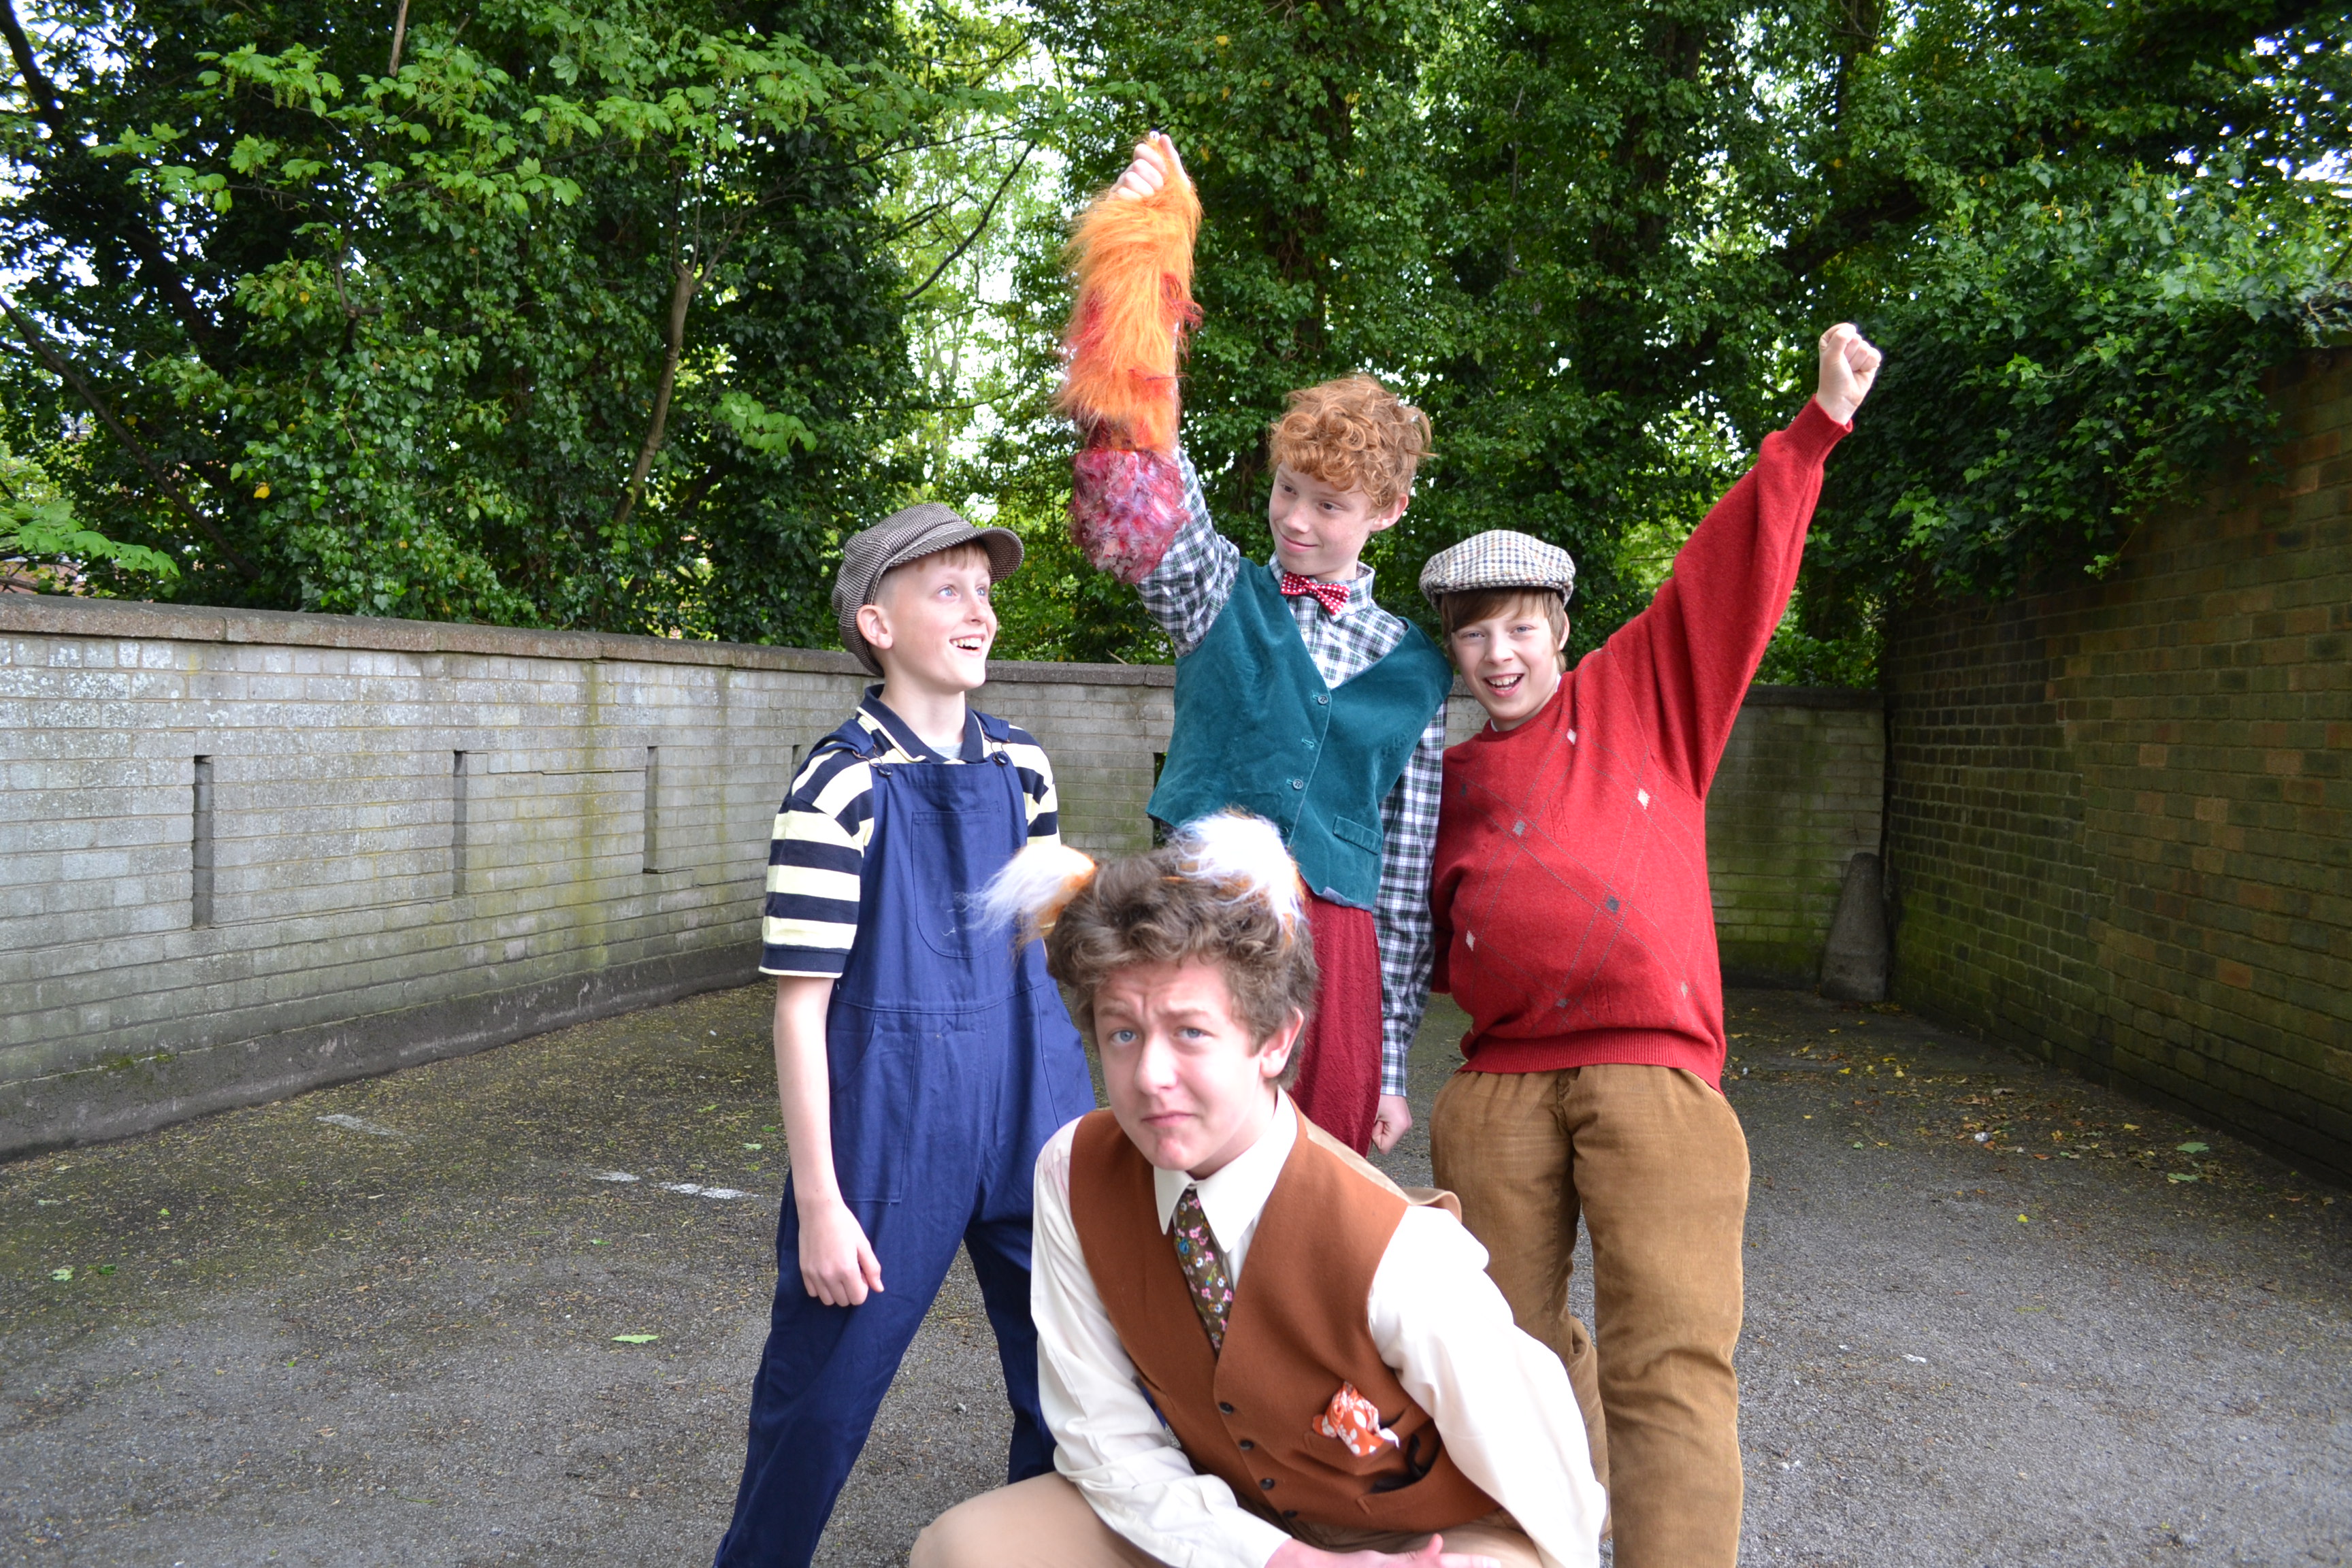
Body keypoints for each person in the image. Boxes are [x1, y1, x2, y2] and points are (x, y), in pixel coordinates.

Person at [1416, 324, 1884, 1568]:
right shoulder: (1439, 777)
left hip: (1652, 1071)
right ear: (1452, 650)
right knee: (1497, 1349)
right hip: (1497, 1081)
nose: (1500, 654)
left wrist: (1816, 429)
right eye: (1474, 635)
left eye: (1521, 627)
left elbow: (1725, 577)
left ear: (1561, 628)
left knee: (1667, 1352)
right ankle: (1569, 1525)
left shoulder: (1647, 695)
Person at [911, 813, 1605, 1568]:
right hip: (1234, 1511)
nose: (1149, 1076)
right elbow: (1105, 1440)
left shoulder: (1399, 1252)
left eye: (1190, 1032)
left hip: (1419, 1540)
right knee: (963, 1550)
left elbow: (1553, 1490)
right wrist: (1278, 1559)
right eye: (1123, 1034)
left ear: (1274, 1041)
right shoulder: (1072, 1171)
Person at [713, 504, 1096, 1568]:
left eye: (986, 590)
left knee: (1075, 1383)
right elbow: (800, 1009)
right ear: (877, 625)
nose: (981, 611)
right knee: (819, 1402)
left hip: (1034, 1108)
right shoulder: (836, 784)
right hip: (891, 1129)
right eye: (950, 590)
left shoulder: (1025, 767)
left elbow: (1047, 954)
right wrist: (822, 1205)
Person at [1056, 131, 1454, 1156]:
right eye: (1287, 491)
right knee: (1191, 1166)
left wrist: (1392, 1063)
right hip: (1201, 929)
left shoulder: (1419, 670)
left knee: (1317, 1195)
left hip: (1341, 962)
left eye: (1330, 505)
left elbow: (1405, 887)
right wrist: (1140, 258)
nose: (1297, 520)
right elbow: (1142, 485)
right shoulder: (1216, 594)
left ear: (1389, 512)